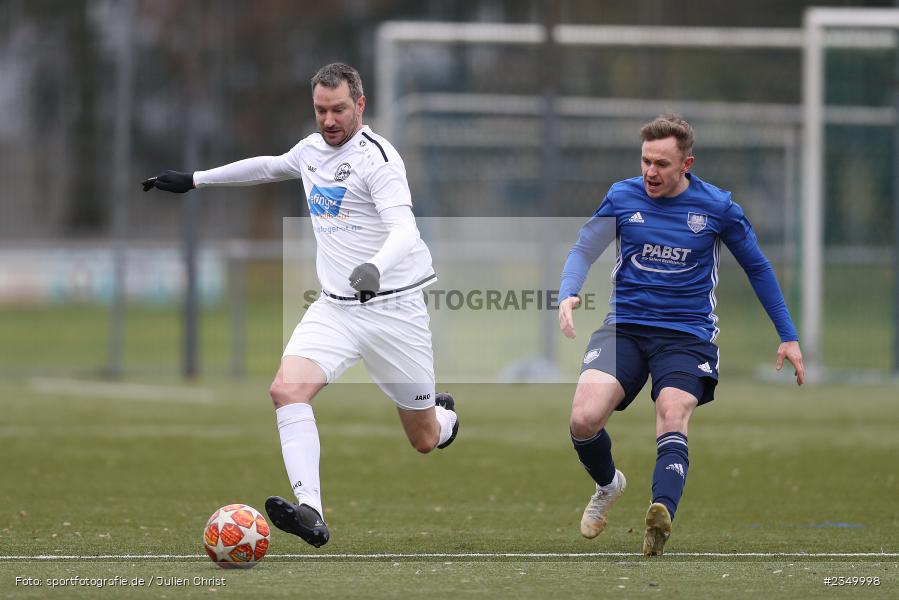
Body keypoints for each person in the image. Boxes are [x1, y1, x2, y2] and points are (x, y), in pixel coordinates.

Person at [142, 62, 459, 548]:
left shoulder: (378, 159)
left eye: (338, 110)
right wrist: (195, 179)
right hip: (335, 309)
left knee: (424, 438)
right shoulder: (310, 151)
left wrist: (374, 267)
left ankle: (445, 417)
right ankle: (310, 509)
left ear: (360, 105)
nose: (329, 120)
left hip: (394, 311)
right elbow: (268, 166)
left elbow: (404, 230)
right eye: (320, 110)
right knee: (286, 390)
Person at [557, 114, 804, 556]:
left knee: (672, 413)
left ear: (686, 164)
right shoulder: (622, 196)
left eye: (661, 164)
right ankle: (608, 485)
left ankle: (660, 514)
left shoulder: (717, 207)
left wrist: (787, 334)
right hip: (625, 329)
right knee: (583, 419)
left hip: (687, 336)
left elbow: (758, 267)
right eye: (645, 161)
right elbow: (583, 248)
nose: (650, 172)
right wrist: (568, 292)